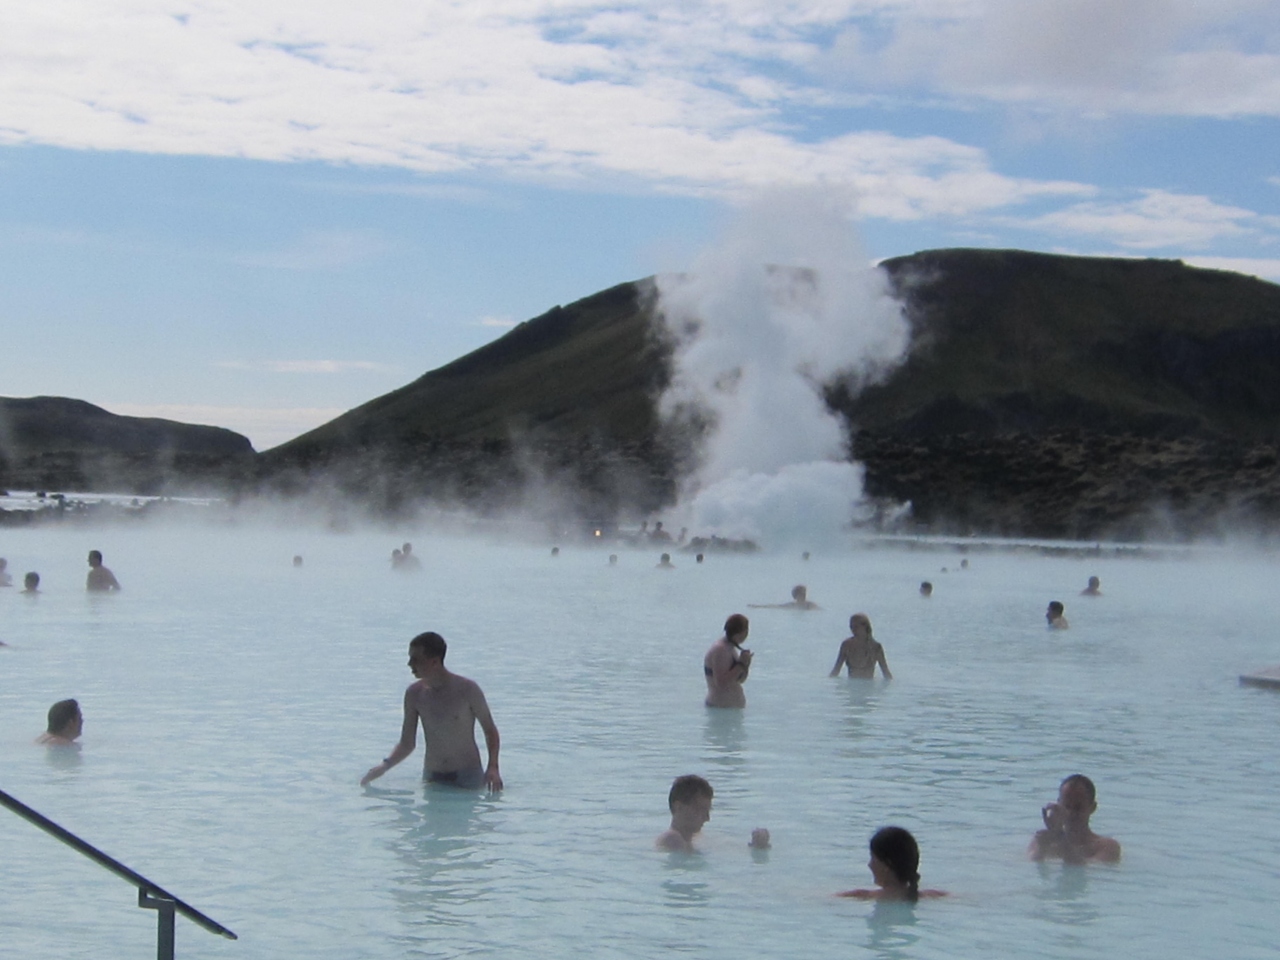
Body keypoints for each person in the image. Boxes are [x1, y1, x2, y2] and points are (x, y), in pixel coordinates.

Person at [361, 631, 503, 791]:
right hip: (433, 776)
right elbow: (407, 743)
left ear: (435, 662)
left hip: (468, 776)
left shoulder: (468, 690)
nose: (409, 664)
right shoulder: (414, 694)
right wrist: (384, 766)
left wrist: (493, 768)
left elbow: (490, 731)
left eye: (415, 660)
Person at [1029, 774, 1121, 864]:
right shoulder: (1042, 841)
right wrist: (1042, 849)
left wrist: (1060, 837)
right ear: (1059, 804)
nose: (1071, 813)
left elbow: (1086, 869)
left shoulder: (1107, 846)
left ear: (1092, 807)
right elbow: (1032, 866)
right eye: (1067, 806)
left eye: (1078, 808)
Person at [839, 827, 946, 900]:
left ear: (886, 865)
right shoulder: (934, 896)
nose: (869, 865)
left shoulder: (862, 897)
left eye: (873, 858)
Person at [704, 614, 752, 708]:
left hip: (729, 712)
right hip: (721, 709)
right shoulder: (721, 650)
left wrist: (745, 664)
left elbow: (740, 680)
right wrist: (740, 664)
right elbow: (721, 682)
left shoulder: (730, 648)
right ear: (744, 632)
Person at [656, 774, 714, 852]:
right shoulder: (673, 839)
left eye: (708, 811)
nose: (707, 818)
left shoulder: (691, 840)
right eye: (701, 810)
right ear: (679, 807)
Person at [829, 613, 892, 679]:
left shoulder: (876, 647)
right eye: (851, 627)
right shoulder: (846, 646)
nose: (853, 630)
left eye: (856, 627)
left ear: (865, 627)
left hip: (868, 687)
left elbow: (886, 673)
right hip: (851, 687)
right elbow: (836, 671)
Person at [749, 584, 819, 610]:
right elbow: (775, 606)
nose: (804, 595)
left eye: (804, 594)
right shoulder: (791, 605)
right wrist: (758, 606)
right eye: (802, 593)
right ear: (796, 596)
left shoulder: (810, 605)